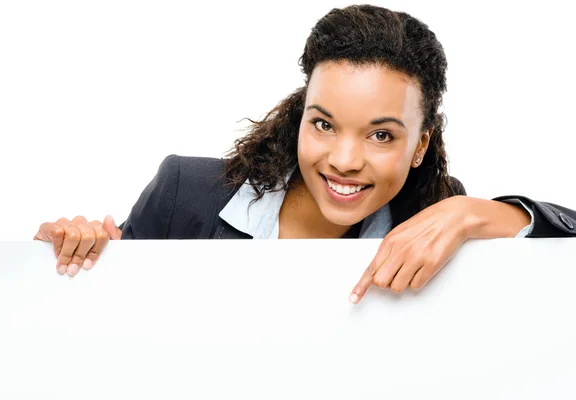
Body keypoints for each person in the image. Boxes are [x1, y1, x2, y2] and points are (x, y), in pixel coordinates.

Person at [34, 4, 576, 303]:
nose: (344, 159)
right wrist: (68, 254)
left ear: (421, 146)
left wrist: (473, 211)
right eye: (324, 124)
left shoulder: (431, 220)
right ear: (302, 117)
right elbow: (101, 326)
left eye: (381, 135)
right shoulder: (186, 193)